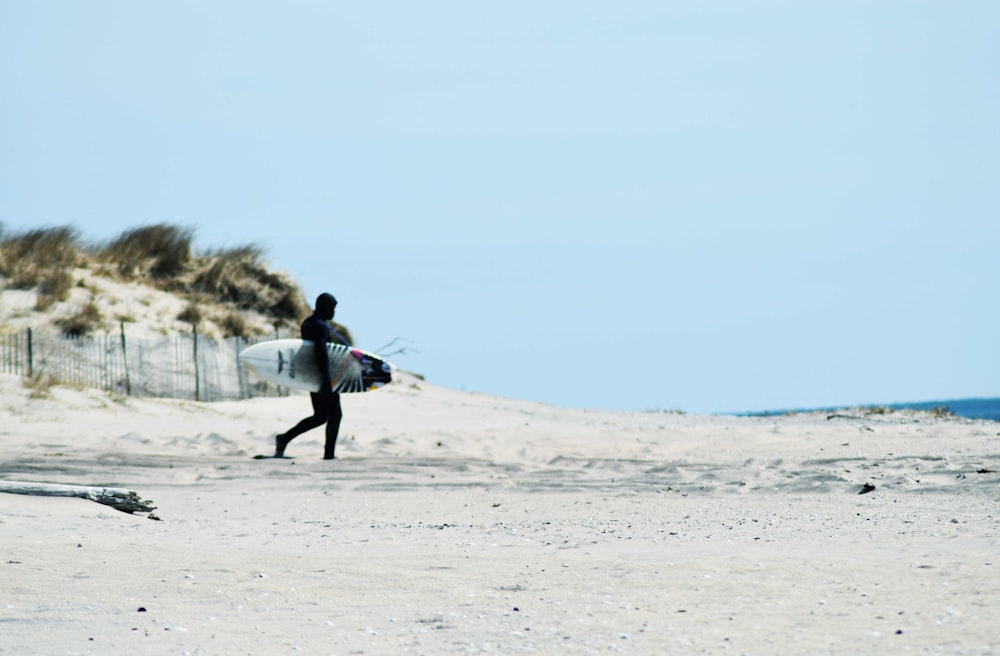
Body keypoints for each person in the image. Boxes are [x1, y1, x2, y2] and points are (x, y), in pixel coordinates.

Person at [273, 293, 350, 459]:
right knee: (335, 415)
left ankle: (284, 438)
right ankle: (329, 454)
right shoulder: (320, 326)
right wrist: (326, 380)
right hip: (322, 376)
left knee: (320, 416)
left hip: (311, 375)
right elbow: (321, 353)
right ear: (325, 307)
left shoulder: (308, 322)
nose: (334, 312)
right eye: (332, 308)